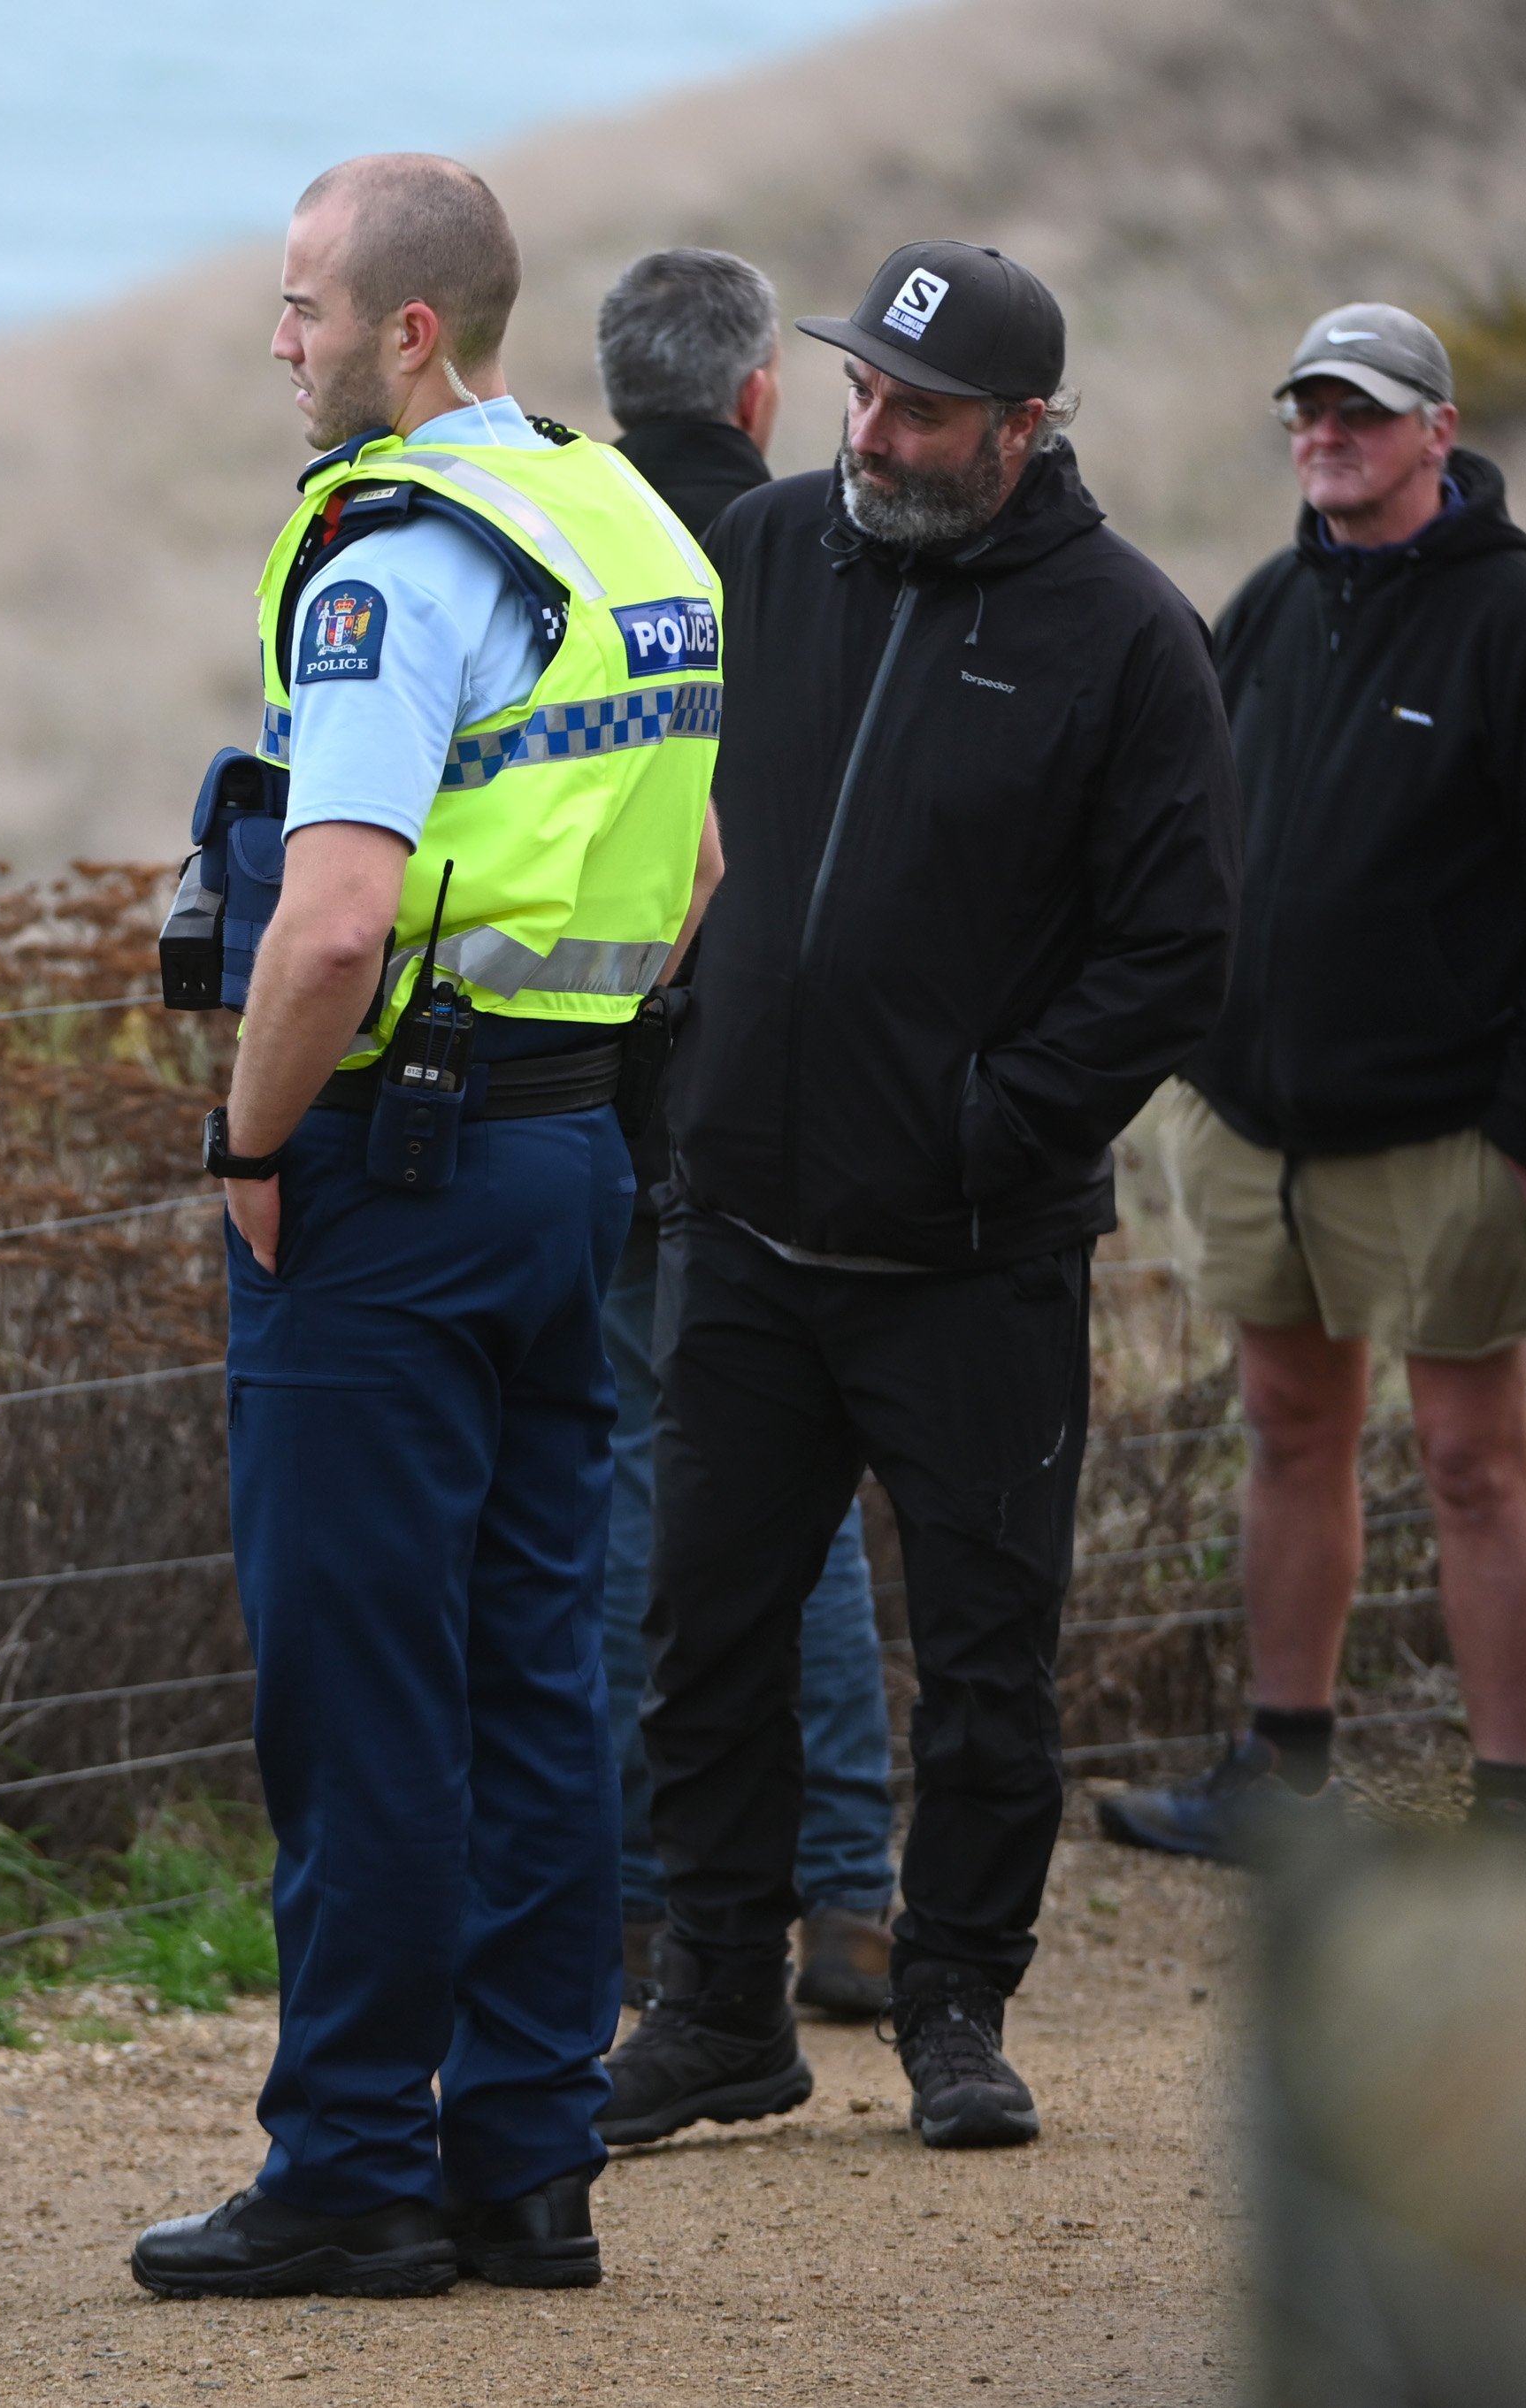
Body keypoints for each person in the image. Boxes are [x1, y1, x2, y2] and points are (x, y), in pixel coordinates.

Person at [127, 155, 717, 2302]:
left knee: (365, 1689)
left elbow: (334, 915)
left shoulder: (400, 556)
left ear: (406, 335)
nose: (274, 340)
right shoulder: (621, 518)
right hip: (569, 1150)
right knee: (530, 1662)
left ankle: (356, 2162)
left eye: (297, 305)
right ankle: (526, 2161)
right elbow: (697, 863)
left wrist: (251, 1141)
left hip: (397, 1163)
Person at [608, 242, 1237, 2154]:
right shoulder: (772, 556)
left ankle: (956, 2008)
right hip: (742, 1225)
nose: (874, 432)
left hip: (974, 1255)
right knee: (701, 1637)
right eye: (862, 392)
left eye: (922, 409)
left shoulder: (1127, 632)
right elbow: (650, 811)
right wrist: (677, 1050)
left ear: (1023, 428)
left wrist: (994, 1122)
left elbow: (1175, 949)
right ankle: (717, 2003)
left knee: (982, 1657)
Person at [1099, 306, 1526, 1859]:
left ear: (1437, 429)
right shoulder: (1266, 606)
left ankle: (1505, 1813)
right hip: (1249, 1116)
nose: (1325, 433)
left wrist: (1522, 1132)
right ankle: (1280, 1775)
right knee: (1289, 1427)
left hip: (1444, 1135)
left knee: (1476, 1460)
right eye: (1308, 409)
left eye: (1360, 410)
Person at [594, 245, 894, 2021]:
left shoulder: (569, 548)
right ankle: (850, 1893)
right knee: (816, 1494)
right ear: (757, 396)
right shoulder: (822, 556)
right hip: (798, 1090)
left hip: (606, 1085)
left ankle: (653, 1900)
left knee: (633, 1472)